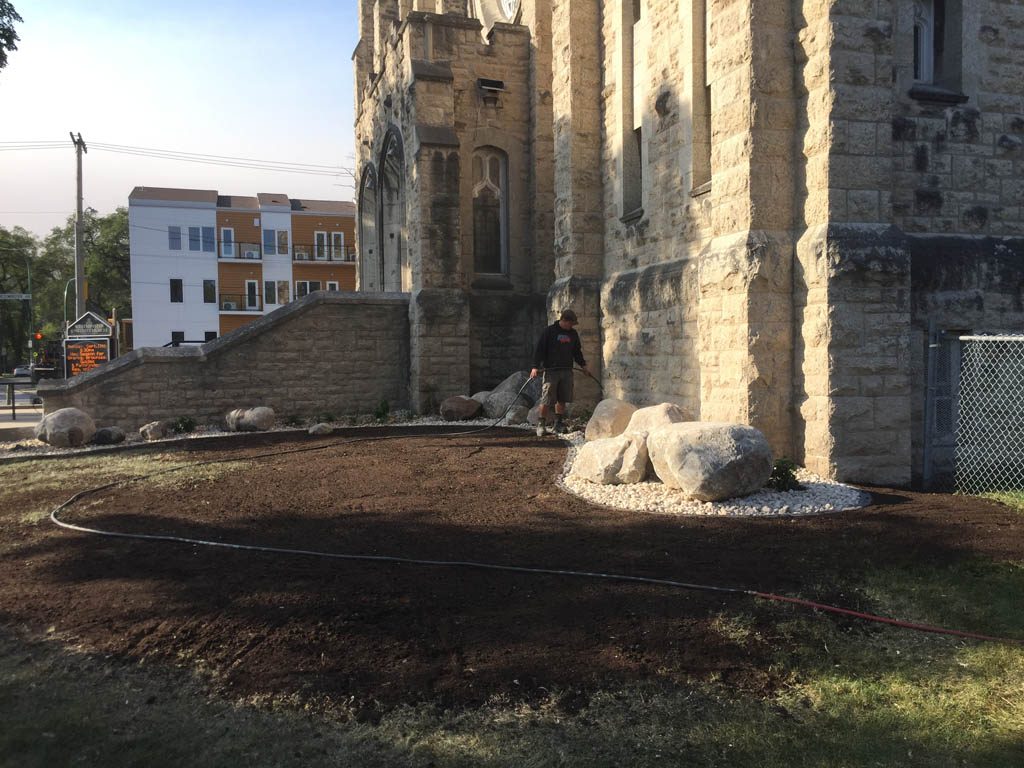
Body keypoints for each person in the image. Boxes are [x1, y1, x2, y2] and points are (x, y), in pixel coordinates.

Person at [530, 309, 591, 436]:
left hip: (567, 370)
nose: (572, 326)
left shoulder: (573, 334)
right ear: (564, 320)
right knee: (547, 398)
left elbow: (577, 352)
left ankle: (558, 423)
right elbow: (539, 350)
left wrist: (584, 366)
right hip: (551, 371)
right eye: (571, 323)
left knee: (562, 398)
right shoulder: (549, 331)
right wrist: (535, 367)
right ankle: (541, 424)